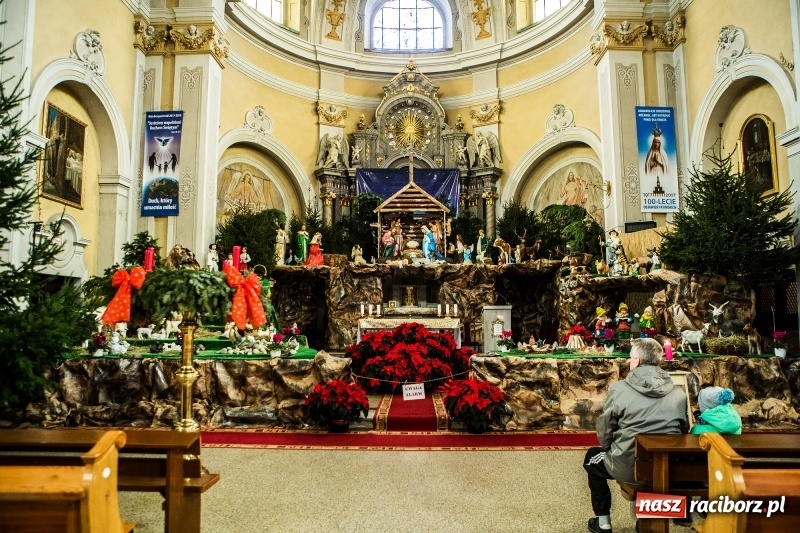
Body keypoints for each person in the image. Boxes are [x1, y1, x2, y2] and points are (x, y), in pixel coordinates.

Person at [584, 338, 689, 533]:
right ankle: (656, 516)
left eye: (631, 358)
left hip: (629, 466)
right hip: (667, 467)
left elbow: (606, 430)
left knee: (592, 458)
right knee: (655, 467)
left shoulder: (619, 389)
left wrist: (609, 448)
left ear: (637, 361)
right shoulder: (678, 393)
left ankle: (603, 523)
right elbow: (684, 431)